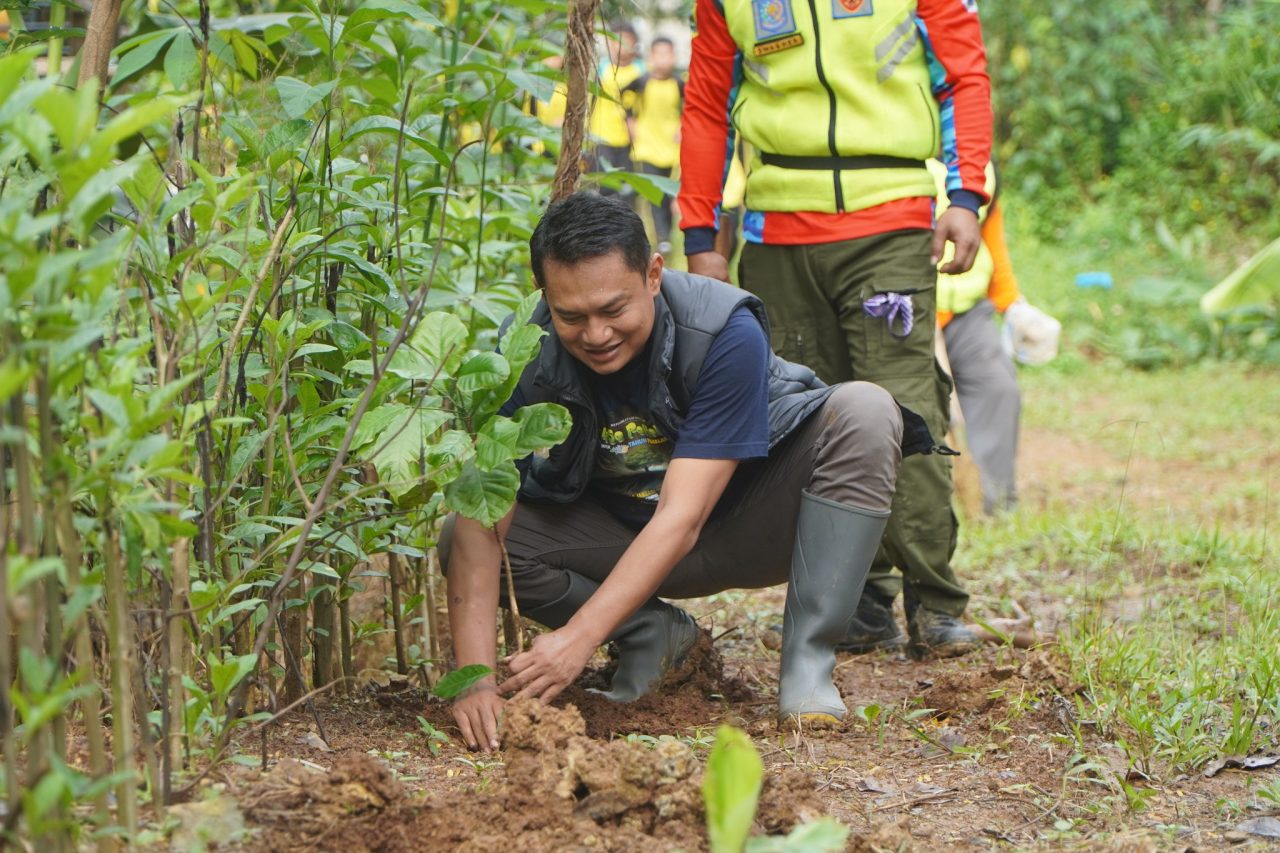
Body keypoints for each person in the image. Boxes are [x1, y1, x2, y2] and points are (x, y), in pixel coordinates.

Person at [443, 192, 946, 751]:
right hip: (622, 539)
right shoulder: (523, 349)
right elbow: (479, 524)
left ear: (654, 274)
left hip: (750, 524)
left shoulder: (723, 326)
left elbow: (682, 517)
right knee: (471, 530)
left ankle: (807, 666)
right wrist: (475, 685)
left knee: (867, 410)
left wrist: (577, 640)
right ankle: (651, 634)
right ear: (545, 296)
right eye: (571, 316)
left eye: (614, 310)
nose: (596, 335)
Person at [678, 0, 994, 657]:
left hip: (890, 224)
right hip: (775, 231)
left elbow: (963, 75)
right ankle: (857, 600)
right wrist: (700, 234)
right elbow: (707, 103)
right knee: (807, 420)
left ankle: (935, 601)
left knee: (905, 407)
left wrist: (965, 198)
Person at [932, 160, 1059, 515]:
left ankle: (996, 504)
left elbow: (992, 243)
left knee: (999, 388)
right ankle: (936, 508)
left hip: (968, 312)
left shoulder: (981, 170)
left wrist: (1014, 305)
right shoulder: (902, 162)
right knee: (937, 408)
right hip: (909, 310)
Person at [623, 36, 685, 254]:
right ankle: (661, 237)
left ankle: (665, 234)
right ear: (651, 57)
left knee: (668, 193)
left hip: (670, 147)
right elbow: (624, 97)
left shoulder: (678, 83)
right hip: (647, 145)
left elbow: (689, 107)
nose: (663, 60)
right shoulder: (642, 81)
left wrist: (682, 127)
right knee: (654, 192)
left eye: (667, 54)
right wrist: (631, 123)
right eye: (658, 54)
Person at [588, 23, 643, 195]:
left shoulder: (642, 70)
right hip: (601, 135)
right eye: (615, 41)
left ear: (634, 43)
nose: (620, 46)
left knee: (627, 189)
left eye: (625, 41)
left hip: (631, 137)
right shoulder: (600, 69)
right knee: (603, 186)